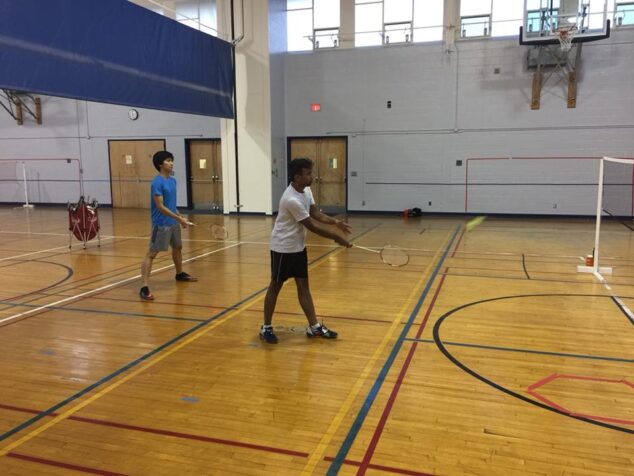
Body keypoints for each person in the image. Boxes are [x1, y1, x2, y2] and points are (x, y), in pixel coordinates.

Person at [260, 158, 352, 344]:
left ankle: (314, 327)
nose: (312, 176)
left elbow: (315, 213)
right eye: (308, 173)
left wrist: (336, 222)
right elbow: (311, 225)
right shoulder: (291, 199)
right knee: (275, 286)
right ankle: (266, 327)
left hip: (298, 248)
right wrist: (336, 237)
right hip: (283, 248)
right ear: (297, 177)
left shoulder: (306, 190)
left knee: (303, 285)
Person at [139, 150, 197, 300]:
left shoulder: (172, 180)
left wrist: (179, 215)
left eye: (171, 160)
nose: (171, 163)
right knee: (151, 254)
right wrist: (179, 219)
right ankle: (144, 287)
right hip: (161, 224)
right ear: (160, 164)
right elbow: (160, 206)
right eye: (167, 161)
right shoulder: (156, 183)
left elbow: (170, 205)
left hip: (173, 222)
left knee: (178, 247)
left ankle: (179, 274)